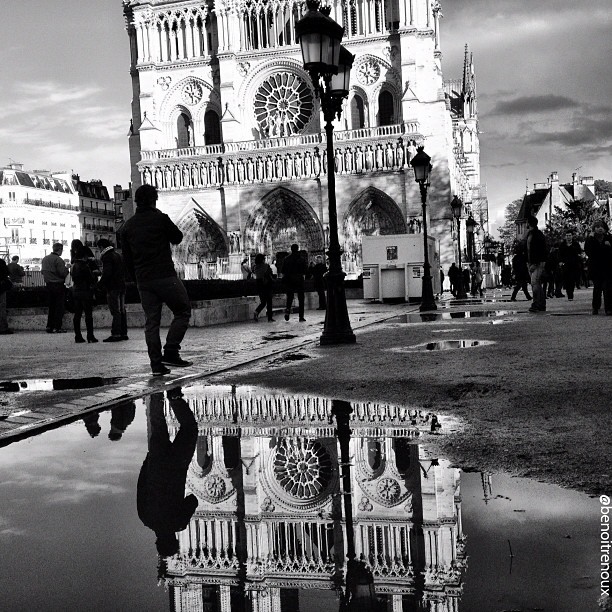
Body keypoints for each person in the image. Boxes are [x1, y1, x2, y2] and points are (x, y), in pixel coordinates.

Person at [120, 184, 192, 376]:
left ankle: (156, 366)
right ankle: (170, 351)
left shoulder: (127, 226)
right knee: (183, 310)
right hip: (165, 276)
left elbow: (126, 260)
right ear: (154, 199)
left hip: (143, 280)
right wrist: (160, 216)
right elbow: (177, 237)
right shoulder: (160, 218)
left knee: (151, 323)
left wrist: (136, 280)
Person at [137, 388, 198, 557]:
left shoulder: (178, 523)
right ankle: (155, 394)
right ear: (157, 541)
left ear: (174, 539)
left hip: (177, 465)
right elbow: (141, 486)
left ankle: (175, 398)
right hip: (156, 464)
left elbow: (192, 500)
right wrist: (147, 462)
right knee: (158, 424)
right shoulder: (145, 518)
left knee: (190, 428)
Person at [97, 238, 128, 342]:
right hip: (122, 285)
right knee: (122, 310)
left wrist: (100, 284)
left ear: (101, 247)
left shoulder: (107, 257)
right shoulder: (117, 255)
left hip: (113, 287)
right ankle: (123, 333)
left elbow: (107, 273)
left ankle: (116, 334)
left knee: (115, 310)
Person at [584, 220, 612, 315]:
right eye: (597, 227)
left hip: (607, 267)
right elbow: (588, 251)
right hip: (596, 268)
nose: (600, 228)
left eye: (602, 227)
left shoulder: (609, 238)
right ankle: (595, 307)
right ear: (594, 229)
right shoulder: (591, 239)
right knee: (597, 288)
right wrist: (591, 239)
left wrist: (609, 246)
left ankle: (608, 309)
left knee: (607, 289)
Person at [70, 246, 98, 343]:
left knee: (77, 314)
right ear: (85, 256)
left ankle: (78, 336)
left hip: (76, 291)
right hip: (85, 291)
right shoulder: (84, 266)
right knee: (88, 315)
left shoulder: (73, 265)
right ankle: (90, 336)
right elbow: (90, 279)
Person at [41, 242, 70, 333]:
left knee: (52, 307)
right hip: (58, 285)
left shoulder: (45, 259)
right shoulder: (59, 260)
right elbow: (63, 273)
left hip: (48, 285)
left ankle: (49, 326)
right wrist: (67, 268)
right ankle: (57, 327)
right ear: (60, 250)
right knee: (59, 307)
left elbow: (43, 271)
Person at [526, 215, 548, 313]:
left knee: (535, 283)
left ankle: (536, 304)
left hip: (536, 262)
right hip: (536, 262)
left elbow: (537, 250)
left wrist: (534, 263)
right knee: (537, 283)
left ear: (529, 223)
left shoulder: (535, 235)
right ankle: (541, 304)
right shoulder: (535, 234)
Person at [281, 243, 307, 322]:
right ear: (297, 249)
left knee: (290, 297)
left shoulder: (286, 259)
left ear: (291, 249)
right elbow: (305, 270)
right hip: (299, 280)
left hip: (289, 280)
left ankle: (288, 311)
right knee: (301, 298)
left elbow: (283, 270)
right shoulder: (301, 259)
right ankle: (301, 316)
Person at [558, 230, 583, 301]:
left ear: (572, 236)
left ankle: (571, 293)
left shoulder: (575, 244)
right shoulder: (562, 245)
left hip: (574, 265)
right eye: (567, 236)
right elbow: (559, 254)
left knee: (572, 280)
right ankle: (569, 294)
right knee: (567, 280)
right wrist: (560, 262)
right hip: (566, 265)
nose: (568, 237)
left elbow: (579, 253)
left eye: (569, 235)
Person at [252, 253, 275, 322]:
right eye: (264, 259)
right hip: (266, 284)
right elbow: (270, 273)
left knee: (263, 302)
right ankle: (270, 318)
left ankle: (256, 312)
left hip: (259, 284)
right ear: (262, 260)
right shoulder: (266, 266)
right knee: (269, 301)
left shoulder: (255, 267)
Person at [0, 258, 14, 335]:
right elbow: (6, 273)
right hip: (1, 288)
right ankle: (3, 328)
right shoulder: (1, 262)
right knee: (2, 308)